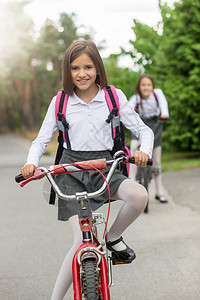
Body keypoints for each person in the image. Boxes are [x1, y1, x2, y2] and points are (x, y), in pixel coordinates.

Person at [21, 40, 154, 299]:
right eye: (74, 68)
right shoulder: (60, 101)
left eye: (88, 67)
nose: (81, 74)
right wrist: (31, 163)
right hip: (70, 171)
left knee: (139, 195)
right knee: (79, 241)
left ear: (98, 69)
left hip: (106, 167)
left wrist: (143, 152)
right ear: (67, 72)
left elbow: (143, 130)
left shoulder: (113, 97)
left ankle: (113, 238)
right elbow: (41, 140)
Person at [129, 74, 170, 203]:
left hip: (156, 123)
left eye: (148, 85)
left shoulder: (157, 94)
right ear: (139, 87)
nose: (146, 87)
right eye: (143, 85)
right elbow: (128, 110)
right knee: (133, 149)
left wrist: (164, 114)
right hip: (139, 125)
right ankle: (131, 184)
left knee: (156, 161)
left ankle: (159, 193)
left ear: (152, 86)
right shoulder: (135, 99)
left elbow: (163, 105)